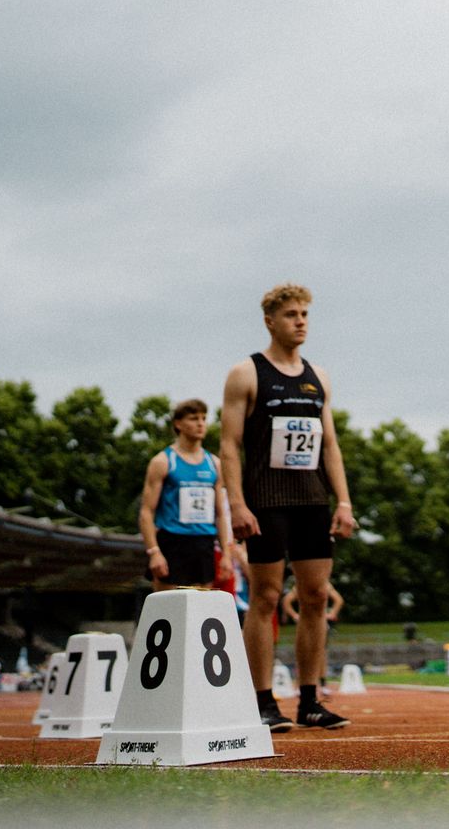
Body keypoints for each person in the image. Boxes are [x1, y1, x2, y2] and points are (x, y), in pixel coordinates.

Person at [221, 283, 358, 731]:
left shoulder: (318, 376)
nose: (300, 321)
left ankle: (309, 700)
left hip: (312, 502)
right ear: (270, 321)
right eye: (291, 315)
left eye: (305, 314)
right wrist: (237, 504)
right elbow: (228, 447)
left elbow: (330, 445)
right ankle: (262, 701)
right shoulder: (247, 373)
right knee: (264, 598)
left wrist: (343, 501)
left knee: (315, 597)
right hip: (265, 503)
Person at [139, 398, 235, 592]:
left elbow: (221, 514)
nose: (200, 424)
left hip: (203, 543)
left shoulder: (214, 464)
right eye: (193, 418)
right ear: (178, 424)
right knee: (168, 610)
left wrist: (226, 554)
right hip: (173, 542)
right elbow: (147, 512)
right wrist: (154, 552)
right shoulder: (163, 461)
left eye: (203, 418)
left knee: (199, 610)